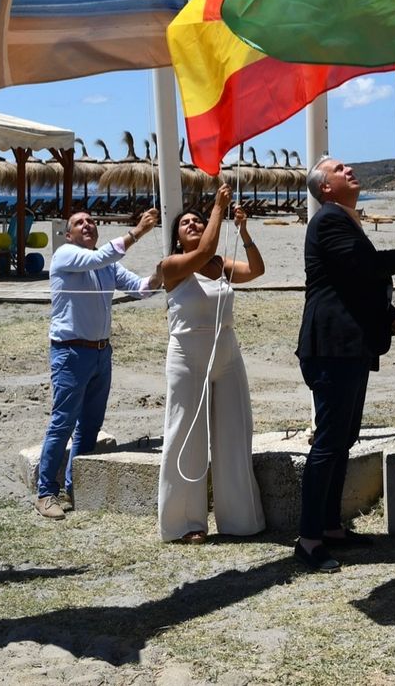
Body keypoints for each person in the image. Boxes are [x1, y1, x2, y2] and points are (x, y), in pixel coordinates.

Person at [295, 156, 395, 571]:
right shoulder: (329, 220)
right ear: (325, 187)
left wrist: (393, 319)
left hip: (348, 347)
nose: (349, 170)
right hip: (332, 348)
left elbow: (358, 286)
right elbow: (369, 268)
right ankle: (308, 539)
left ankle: (329, 527)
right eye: (339, 169)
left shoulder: (344, 220)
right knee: (329, 442)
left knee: (343, 439)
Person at [35, 206, 161, 520]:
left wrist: (162, 273)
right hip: (71, 353)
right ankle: (45, 493)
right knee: (63, 423)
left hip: (101, 353)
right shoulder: (65, 255)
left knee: (90, 425)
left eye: (91, 221)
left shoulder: (107, 265)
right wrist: (138, 232)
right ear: (68, 235)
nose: (87, 224)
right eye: (79, 222)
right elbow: (100, 257)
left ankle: (75, 486)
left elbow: (140, 289)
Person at [156, 184, 266, 543]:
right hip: (187, 355)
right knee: (185, 436)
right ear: (176, 238)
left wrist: (244, 232)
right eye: (185, 223)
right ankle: (185, 523)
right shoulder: (172, 266)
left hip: (227, 352)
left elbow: (256, 269)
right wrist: (218, 206)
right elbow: (204, 250)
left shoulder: (220, 265)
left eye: (198, 221)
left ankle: (240, 520)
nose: (193, 224)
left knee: (235, 433)